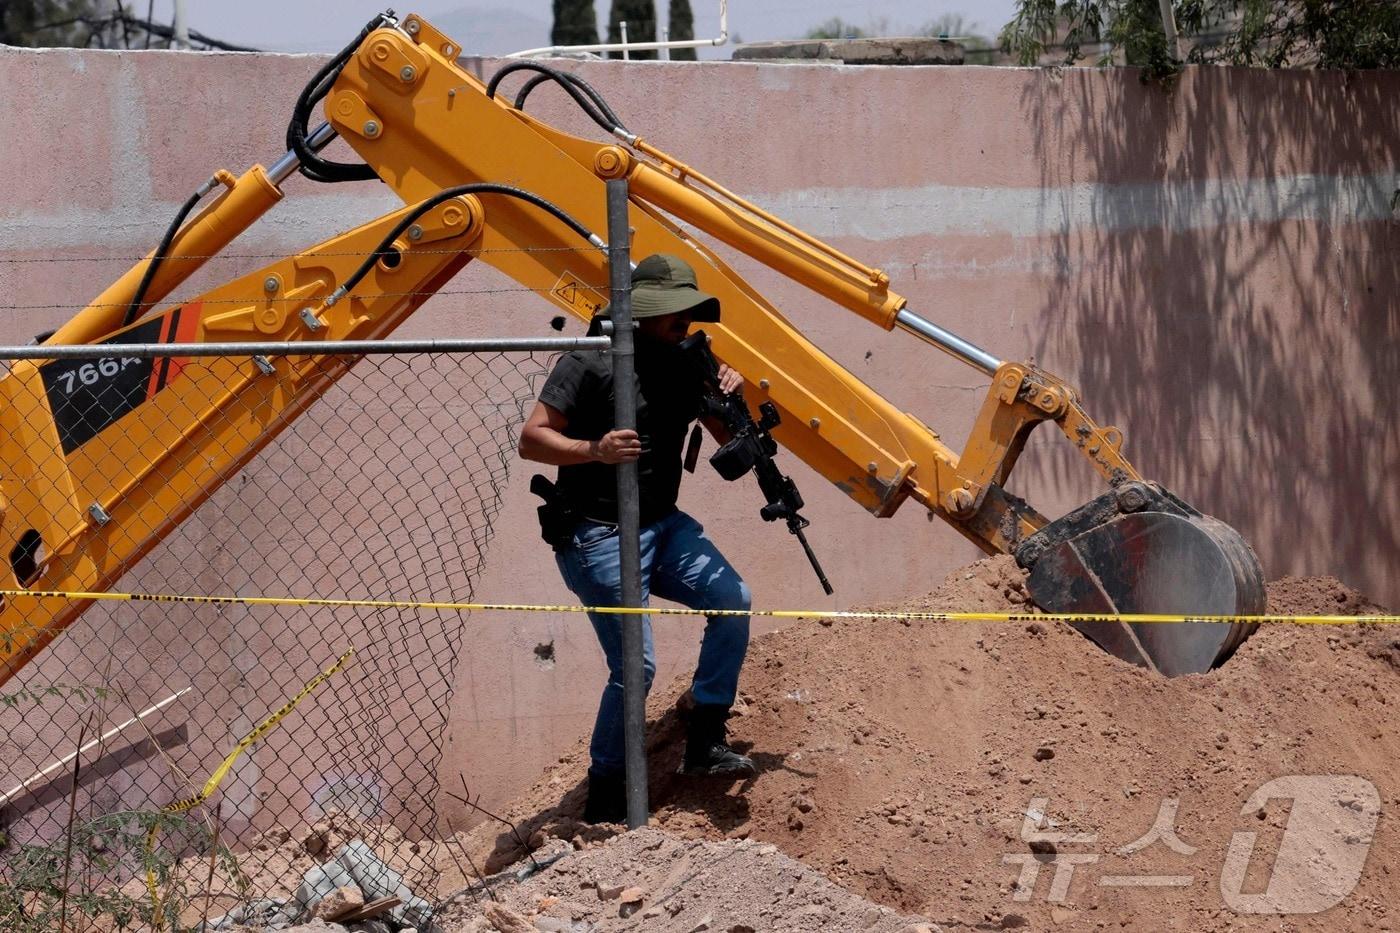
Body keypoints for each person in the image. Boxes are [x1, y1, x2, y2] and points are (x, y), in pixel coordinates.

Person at [518, 253, 755, 825]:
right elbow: (533, 439)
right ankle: (605, 792)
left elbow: (733, 446)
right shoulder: (591, 360)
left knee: (733, 601)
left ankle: (704, 736)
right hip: (596, 532)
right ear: (643, 314)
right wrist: (594, 450)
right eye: (674, 312)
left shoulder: (688, 359)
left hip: (662, 523)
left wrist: (730, 393)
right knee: (636, 666)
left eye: (689, 312)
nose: (686, 322)